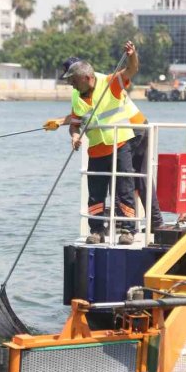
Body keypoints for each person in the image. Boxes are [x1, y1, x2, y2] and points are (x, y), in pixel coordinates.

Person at [43, 43, 162, 244]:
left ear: (86, 78)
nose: (70, 84)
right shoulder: (77, 95)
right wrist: (73, 135)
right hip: (96, 148)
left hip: (126, 138)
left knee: (126, 185)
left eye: (73, 80)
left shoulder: (110, 82)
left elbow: (131, 69)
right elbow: (76, 121)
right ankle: (97, 229)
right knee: (96, 192)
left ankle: (130, 229)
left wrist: (132, 55)